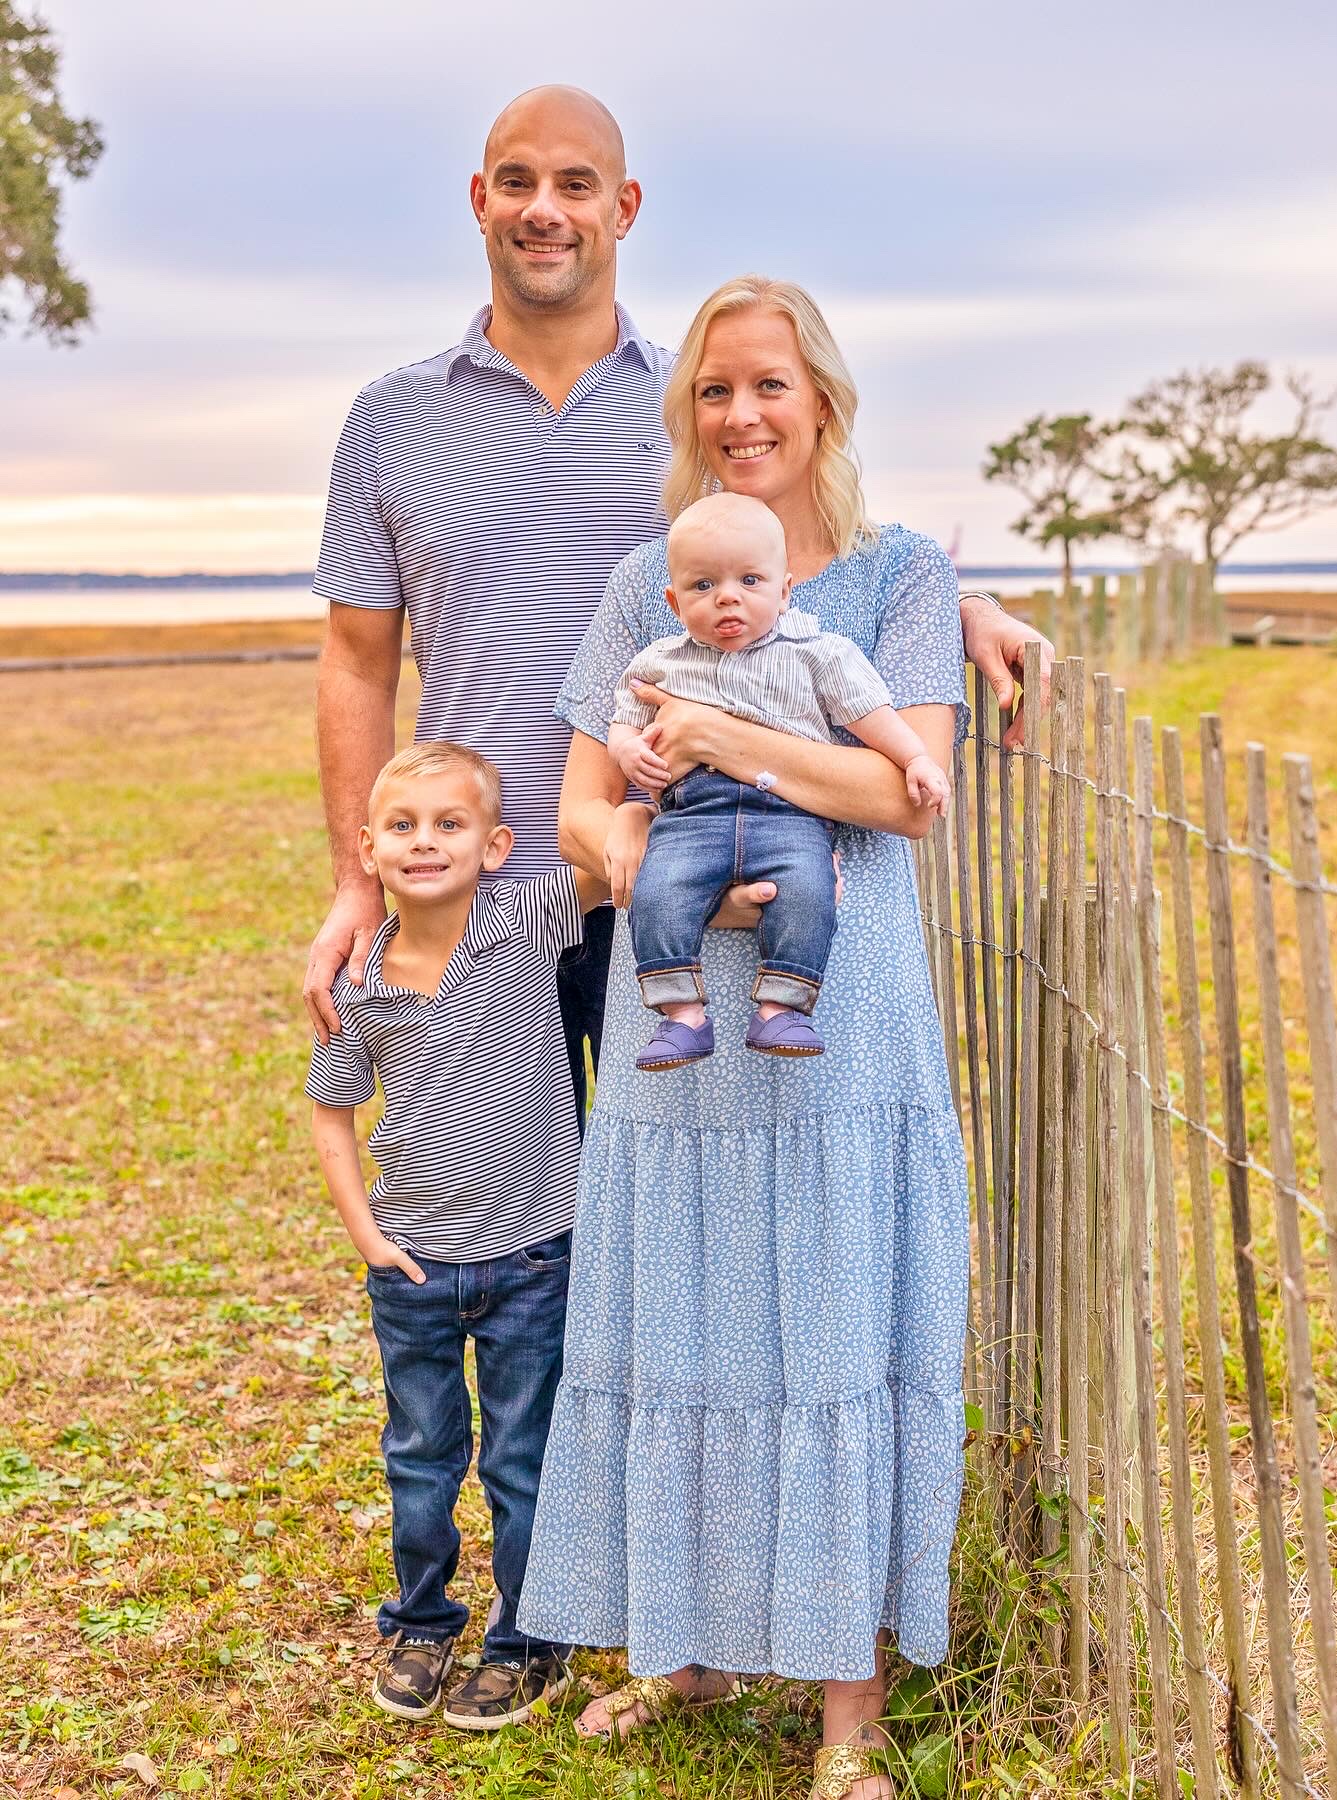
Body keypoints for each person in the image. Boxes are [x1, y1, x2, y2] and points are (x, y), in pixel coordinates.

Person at [301, 83, 1053, 1129]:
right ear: (479, 200)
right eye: (517, 183)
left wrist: (964, 607)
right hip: (472, 892)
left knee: (639, 1186)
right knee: (484, 1206)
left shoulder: (696, 409)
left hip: (669, 871)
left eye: (576, 185)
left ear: (625, 208)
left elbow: (806, 550)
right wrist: (357, 884)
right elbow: (355, 662)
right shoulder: (392, 420)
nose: (544, 210)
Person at [515, 275, 978, 1800]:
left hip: (843, 1020)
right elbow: (583, 808)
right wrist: (648, 863)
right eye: (715, 389)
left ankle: (848, 1713)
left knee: (835, 1330)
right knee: (682, 1324)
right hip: (677, 1017)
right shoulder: (646, 582)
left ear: (823, 402)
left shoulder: (903, 575)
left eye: (770, 384)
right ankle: (686, 1647)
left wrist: (720, 739)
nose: (742, 414)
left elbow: (899, 792)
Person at [306, 741, 637, 1728]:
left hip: (533, 1257)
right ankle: (420, 1623)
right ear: (368, 850)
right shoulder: (360, 981)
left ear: (495, 847)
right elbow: (332, 1114)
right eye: (403, 826)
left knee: (520, 1461)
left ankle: (527, 1642)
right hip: (412, 1268)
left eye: (450, 825)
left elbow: (605, 858)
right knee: (420, 1456)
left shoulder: (529, 921)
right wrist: (367, 1236)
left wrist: (635, 805)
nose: (425, 842)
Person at [606, 491, 950, 1069]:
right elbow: (624, 722)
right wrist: (627, 750)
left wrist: (916, 759)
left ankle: (782, 1006)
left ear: (784, 590)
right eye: (703, 586)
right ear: (674, 601)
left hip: (788, 812)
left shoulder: (819, 652)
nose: (727, 597)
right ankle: (681, 1014)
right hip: (692, 814)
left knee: (811, 890)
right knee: (658, 891)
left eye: (750, 580)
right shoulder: (659, 662)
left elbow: (873, 717)